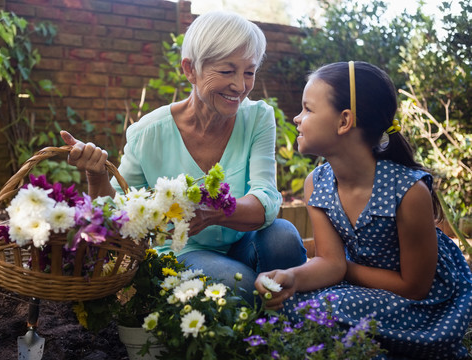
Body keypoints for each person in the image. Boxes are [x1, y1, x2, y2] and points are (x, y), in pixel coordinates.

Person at [60, 10, 307, 300]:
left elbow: (267, 201)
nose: (240, 86)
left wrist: (215, 212)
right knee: (241, 287)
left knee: (283, 238)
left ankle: (290, 324)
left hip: (246, 241)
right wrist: (96, 175)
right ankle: (265, 321)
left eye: (249, 72)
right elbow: (117, 214)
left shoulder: (257, 118)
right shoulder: (147, 134)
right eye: (227, 71)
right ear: (190, 69)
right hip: (185, 252)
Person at [254, 61, 472, 359]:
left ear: (344, 121)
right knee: (293, 303)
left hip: (423, 306)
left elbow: (414, 287)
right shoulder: (316, 183)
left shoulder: (408, 192)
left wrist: (342, 270)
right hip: (365, 291)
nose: (296, 117)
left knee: (327, 306)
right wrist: (292, 276)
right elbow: (330, 262)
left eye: (308, 109)